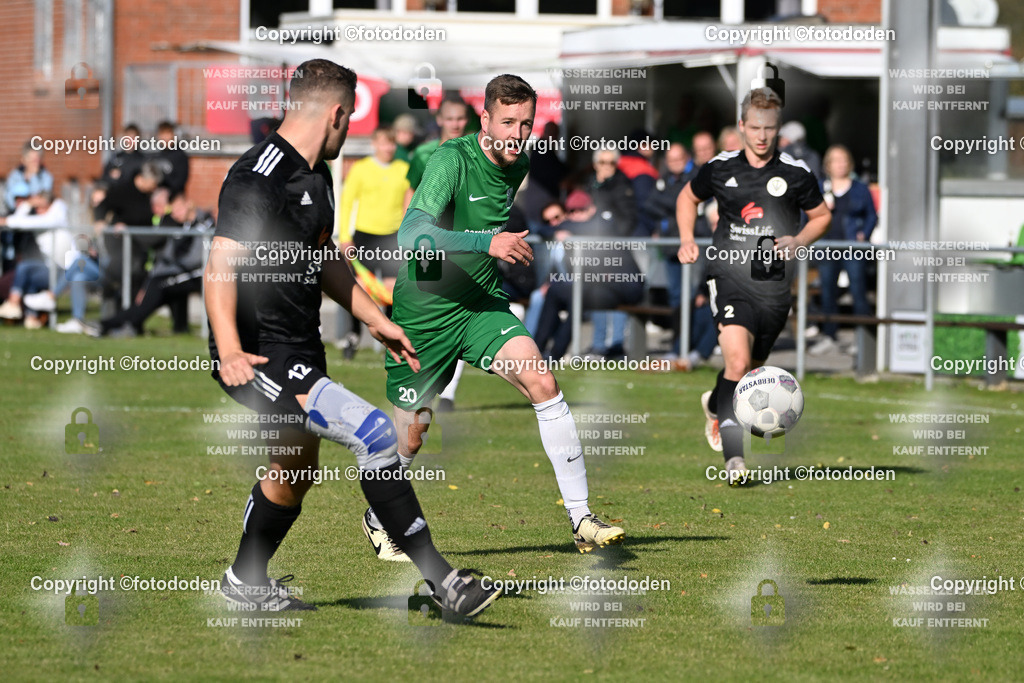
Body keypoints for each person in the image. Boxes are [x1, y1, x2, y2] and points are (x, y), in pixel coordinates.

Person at [206, 59, 500, 618]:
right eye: (350, 121)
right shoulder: (259, 175)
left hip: (299, 347)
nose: (350, 133)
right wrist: (229, 348)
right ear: (338, 113)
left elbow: (324, 257)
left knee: (293, 473)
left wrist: (374, 317)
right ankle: (446, 583)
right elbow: (222, 261)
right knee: (373, 434)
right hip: (258, 354)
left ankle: (244, 582)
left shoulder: (315, 176)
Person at [364, 74, 625, 562]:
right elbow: (412, 234)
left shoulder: (519, 160)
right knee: (413, 433)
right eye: (507, 122)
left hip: (481, 302)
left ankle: (581, 518)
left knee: (542, 381)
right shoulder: (451, 160)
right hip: (426, 310)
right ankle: (379, 517)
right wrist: (488, 242)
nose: (517, 133)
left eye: (525, 123)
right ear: (484, 119)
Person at [676, 88, 831, 479]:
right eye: (755, 128)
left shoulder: (796, 172)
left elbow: (821, 216)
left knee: (746, 375)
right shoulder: (720, 167)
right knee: (737, 362)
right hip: (728, 277)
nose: (761, 136)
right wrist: (687, 240)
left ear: (778, 131)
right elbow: (686, 198)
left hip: (774, 288)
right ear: (742, 126)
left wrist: (798, 241)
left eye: (770, 129)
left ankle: (715, 403)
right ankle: (734, 459)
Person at [403, 98, 471, 409]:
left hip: (464, 247)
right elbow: (410, 194)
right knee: (427, 318)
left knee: (459, 317)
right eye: (450, 119)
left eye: (461, 119)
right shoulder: (423, 154)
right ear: (440, 120)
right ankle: (420, 384)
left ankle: (450, 392)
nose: (456, 124)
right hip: (429, 246)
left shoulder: (477, 154)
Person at [533, 190, 644, 361]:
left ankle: (555, 355)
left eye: (580, 210)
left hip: (625, 287)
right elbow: (542, 229)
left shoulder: (603, 223)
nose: (576, 215)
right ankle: (536, 351)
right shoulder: (572, 228)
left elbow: (570, 228)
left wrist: (562, 230)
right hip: (599, 286)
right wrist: (559, 231)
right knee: (557, 290)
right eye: (572, 212)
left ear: (591, 209)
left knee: (578, 294)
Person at [96, 192, 212, 337]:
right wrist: (150, 280)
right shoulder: (181, 226)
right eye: (173, 211)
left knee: (159, 287)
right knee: (154, 287)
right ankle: (115, 324)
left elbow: (196, 258)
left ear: (188, 204)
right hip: (176, 273)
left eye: (178, 209)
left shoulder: (205, 223)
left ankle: (114, 324)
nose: (175, 214)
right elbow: (167, 256)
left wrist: (163, 273)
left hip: (198, 274)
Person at [809, 144, 877, 356]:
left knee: (858, 292)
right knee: (827, 292)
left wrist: (863, 234)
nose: (840, 165)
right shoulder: (820, 187)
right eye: (835, 160)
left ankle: (862, 339)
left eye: (843, 160)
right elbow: (806, 214)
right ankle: (829, 335)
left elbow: (872, 216)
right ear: (828, 165)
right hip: (827, 246)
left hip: (852, 248)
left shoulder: (860, 188)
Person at [584, 147, 635, 359]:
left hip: (615, 250)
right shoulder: (590, 185)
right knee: (597, 295)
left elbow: (628, 219)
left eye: (611, 163)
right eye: (603, 162)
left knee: (616, 297)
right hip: (592, 250)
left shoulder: (622, 185)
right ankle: (598, 345)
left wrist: (611, 238)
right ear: (595, 164)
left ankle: (616, 346)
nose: (607, 167)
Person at [0, 191, 70, 328]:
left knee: (25, 268)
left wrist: (7, 220)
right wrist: (27, 204)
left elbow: (22, 222)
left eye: (41, 207)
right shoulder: (40, 218)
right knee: (27, 273)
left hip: (65, 270)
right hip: (50, 267)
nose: (38, 210)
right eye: (36, 208)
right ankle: (31, 317)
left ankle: (13, 304)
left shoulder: (57, 215)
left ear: (49, 204)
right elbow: (18, 220)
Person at [151, 121, 190, 195]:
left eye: (168, 133)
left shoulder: (180, 155)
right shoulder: (156, 155)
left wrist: (167, 194)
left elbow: (180, 181)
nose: (165, 138)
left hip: (173, 199)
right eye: (162, 134)